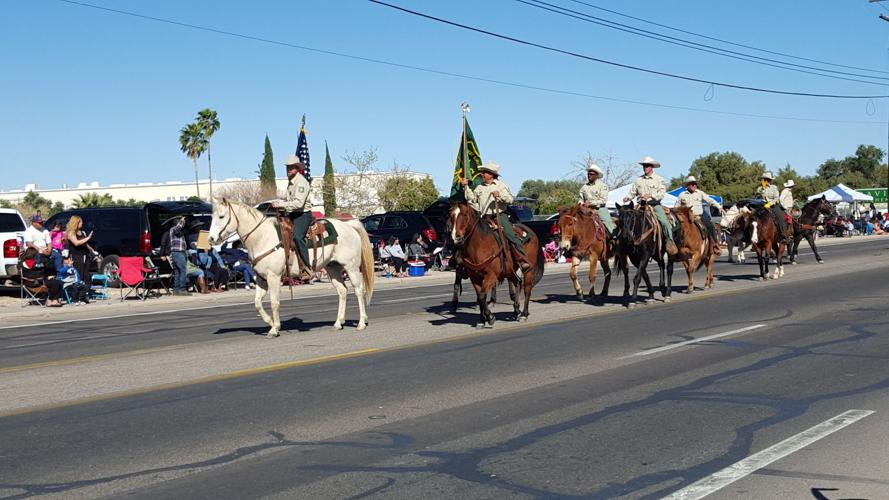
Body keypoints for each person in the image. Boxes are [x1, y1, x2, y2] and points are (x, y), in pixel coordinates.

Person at [460, 160, 531, 271]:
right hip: (484, 217)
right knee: (467, 235)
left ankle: (522, 260)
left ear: (491, 175)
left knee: (510, 235)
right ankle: (462, 263)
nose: (482, 174)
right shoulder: (480, 187)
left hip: (499, 216)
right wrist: (466, 187)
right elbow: (472, 199)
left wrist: (500, 195)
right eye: (483, 172)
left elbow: (510, 200)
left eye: (485, 172)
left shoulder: (500, 186)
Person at [623, 156, 678, 256]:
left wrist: (651, 196)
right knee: (629, 219)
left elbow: (661, 193)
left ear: (652, 167)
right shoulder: (638, 180)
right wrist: (628, 198)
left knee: (665, 222)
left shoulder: (659, 179)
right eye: (644, 166)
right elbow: (633, 192)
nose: (645, 168)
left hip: (654, 205)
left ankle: (670, 241)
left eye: (647, 166)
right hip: (641, 205)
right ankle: (628, 243)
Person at [272, 154, 313, 274]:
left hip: (303, 215)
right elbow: (291, 202)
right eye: (287, 167)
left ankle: (307, 267)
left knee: (298, 237)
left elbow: (299, 204)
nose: (289, 170)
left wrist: (282, 204)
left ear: (297, 168)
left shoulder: (301, 182)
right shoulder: (291, 182)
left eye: (291, 167)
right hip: (293, 213)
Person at [677, 175, 725, 243]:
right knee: (677, 227)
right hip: (687, 216)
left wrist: (719, 207)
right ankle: (675, 245)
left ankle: (715, 244)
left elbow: (710, 200)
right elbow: (676, 207)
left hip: (699, 215)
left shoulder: (700, 193)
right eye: (692, 184)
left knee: (709, 225)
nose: (694, 185)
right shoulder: (681, 195)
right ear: (688, 185)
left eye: (695, 184)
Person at [578, 163, 615, 236]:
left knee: (607, 222)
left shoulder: (602, 186)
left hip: (599, 209)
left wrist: (591, 203)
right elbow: (580, 198)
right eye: (588, 174)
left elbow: (603, 200)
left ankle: (613, 237)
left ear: (597, 175)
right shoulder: (584, 187)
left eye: (591, 174)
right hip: (586, 209)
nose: (589, 175)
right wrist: (580, 204)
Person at [755, 171, 790, 245]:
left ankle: (784, 235)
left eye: (766, 179)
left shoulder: (774, 187)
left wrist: (770, 203)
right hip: (762, 205)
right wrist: (763, 188)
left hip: (773, 205)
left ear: (769, 180)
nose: (765, 181)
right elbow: (757, 195)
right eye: (764, 179)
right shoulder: (760, 188)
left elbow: (776, 198)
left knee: (781, 217)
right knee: (752, 216)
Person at [65, 215, 95, 289]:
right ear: (76, 222)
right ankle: (78, 291)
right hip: (76, 255)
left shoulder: (82, 232)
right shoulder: (71, 232)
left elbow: (85, 243)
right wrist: (88, 238)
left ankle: (86, 291)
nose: (82, 223)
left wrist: (92, 250)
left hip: (85, 254)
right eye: (80, 221)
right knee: (79, 273)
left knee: (86, 274)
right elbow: (76, 243)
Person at [167, 217, 190, 296]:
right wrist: (182, 221)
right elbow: (178, 228)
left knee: (177, 272)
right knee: (183, 270)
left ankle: (176, 290)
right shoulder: (173, 229)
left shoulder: (179, 232)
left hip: (178, 253)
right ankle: (182, 289)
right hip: (178, 253)